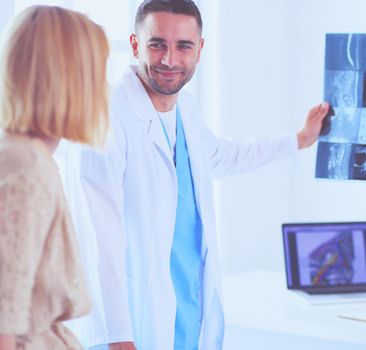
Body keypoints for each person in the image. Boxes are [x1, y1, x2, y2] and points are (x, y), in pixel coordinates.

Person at [69, 0, 329, 349]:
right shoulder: (106, 118)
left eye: (183, 46)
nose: (170, 60)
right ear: (135, 45)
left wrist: (298, 140)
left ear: (200, 49)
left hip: (186, 313)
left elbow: (220, 156)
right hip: (132, 325)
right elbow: (98, 240)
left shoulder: (185, 108)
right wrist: (117, 336)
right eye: (157, 43)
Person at [0, 5, 110, 350]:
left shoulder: (15, 154)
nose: (103, 87)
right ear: (69, 80)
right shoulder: (31, 169)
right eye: (96, 74)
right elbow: (5, 315)